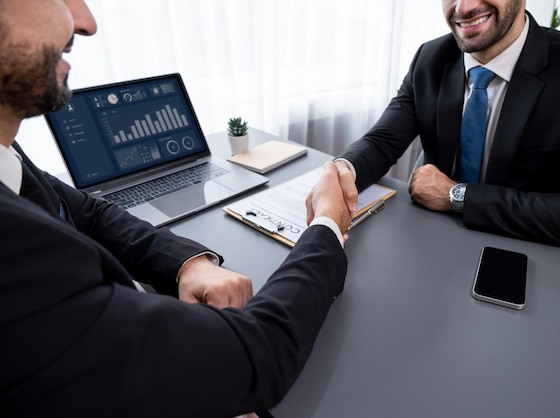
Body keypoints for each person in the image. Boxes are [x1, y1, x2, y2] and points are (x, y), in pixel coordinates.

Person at [0, 1, 352, 417]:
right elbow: (257, 354)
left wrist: (189, 263)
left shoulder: (9, 154)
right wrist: (328, 223)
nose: (87, 22)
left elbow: (87, 211)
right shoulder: (16, 254)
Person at [334, 0, 560, 255]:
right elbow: (383, 141)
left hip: (532, 261)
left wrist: (457, 196)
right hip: (432, 248)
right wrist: (341, 171)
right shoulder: (430, 58)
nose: (463, 7)